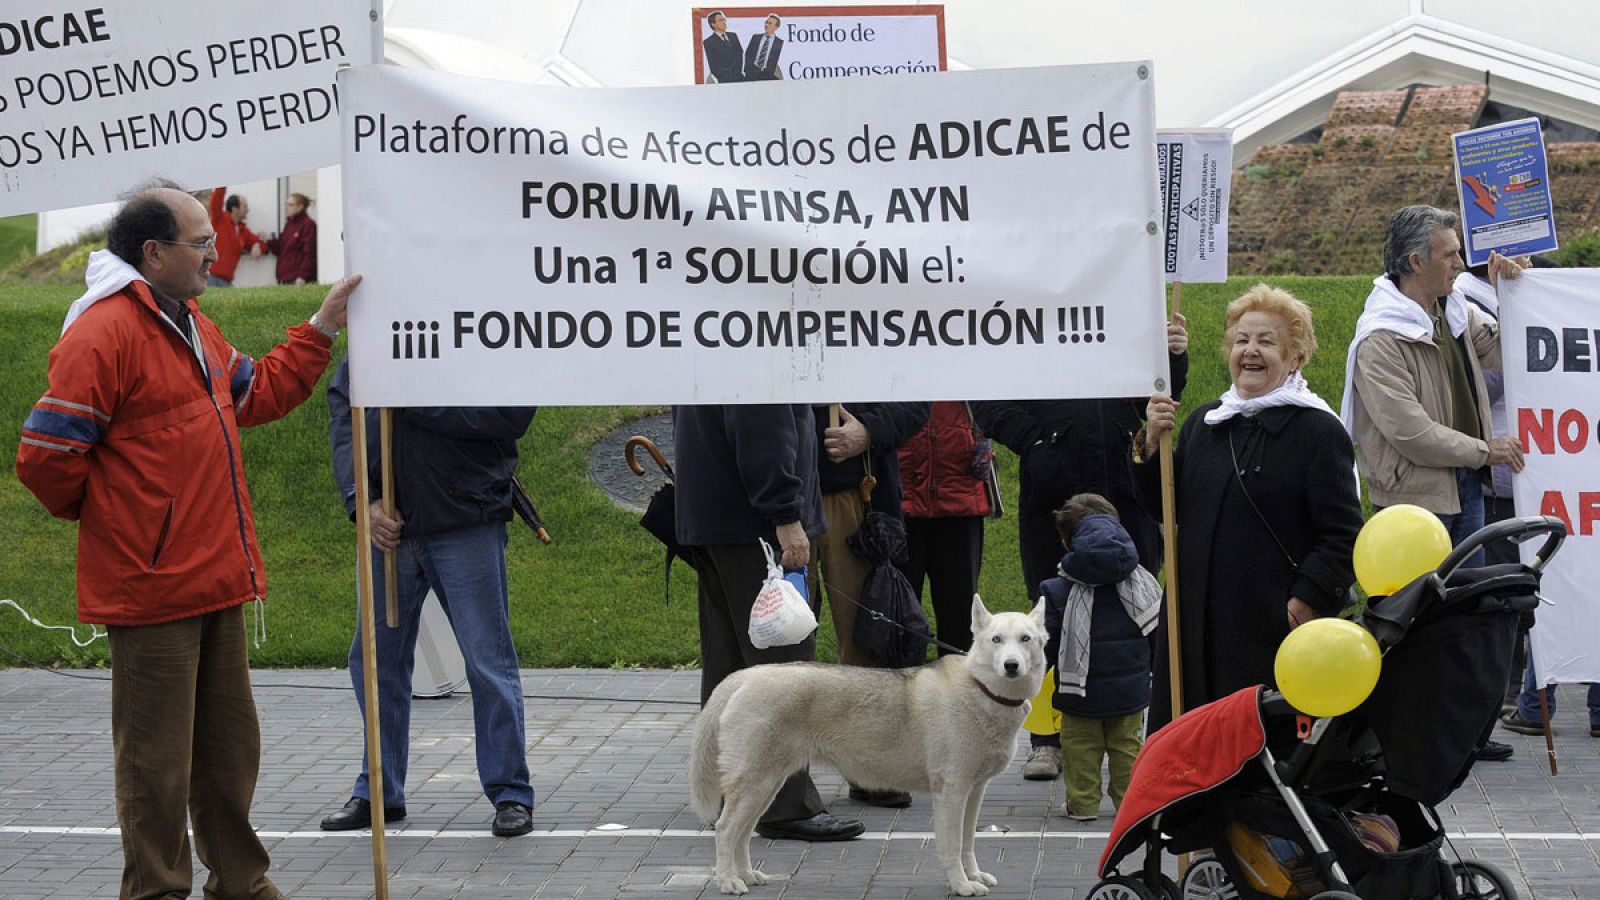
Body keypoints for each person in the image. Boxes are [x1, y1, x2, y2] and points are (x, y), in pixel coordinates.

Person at [17, 181, 360, 899]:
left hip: (213, 577)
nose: (214, 253)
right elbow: (46, 456)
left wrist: (322, 326)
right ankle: (156, 890)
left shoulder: (191, 323)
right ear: (153, 253)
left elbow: (256, 393)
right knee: (156, 766)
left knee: (229, 754)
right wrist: (125, 520)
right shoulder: (103, 332)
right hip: (152, 589)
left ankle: (240, 881)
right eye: (200, 243)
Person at [1339, 206, 1526, 761]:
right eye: (1451, 255)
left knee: (1461, 616)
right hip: (1416, 498)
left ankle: (1458, 731)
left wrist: (1513, 294)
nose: (1460, 264)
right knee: (1415, 621)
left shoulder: (1453, 310)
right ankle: (1402, 733)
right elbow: (1408, 431)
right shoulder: (1381, 338)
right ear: (1416, 261)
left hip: (1462, 486)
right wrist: (1483, 450)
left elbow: (1504, 348)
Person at [321, 360, 538, 837]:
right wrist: (363, 498)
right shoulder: (373, 335)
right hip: (389, 527)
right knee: (376, 661)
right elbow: (345, 414)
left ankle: (509, 792)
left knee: (486, 659)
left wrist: (412, 400)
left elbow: (509, 413)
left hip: (465, 517)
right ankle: (378, 790)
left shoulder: (480, 332)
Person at [974, 313, 1188, 780]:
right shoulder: (1022, 312)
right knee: (1050, 622)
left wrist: (1173, 356)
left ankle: (1139, 737)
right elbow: (986, 394)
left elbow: (1162, 396)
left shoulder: (1124, 300)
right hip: (1054, 499)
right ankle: (1047, 740)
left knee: (1138, 619)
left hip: (1127, 494)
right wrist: (1038, 441)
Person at [1140, 284, 1362, 730]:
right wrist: (1149, 445)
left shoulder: (1318, 431)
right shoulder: (1207, 423)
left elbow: (1343, 535)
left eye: (1266, 341)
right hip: (1193, 620)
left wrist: (1305, 601)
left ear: (1295, 356)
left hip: (1264, 626)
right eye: (1242, 340)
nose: (1250, 351)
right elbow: (1169, 506)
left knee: (1252, 750)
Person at [673, 403, 865, 842]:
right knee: (784, 673)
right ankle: (786, 803)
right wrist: (786, 514)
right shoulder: (760, 347)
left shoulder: (709, 340)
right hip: (755, 523)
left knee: (729, 666)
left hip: (714, 517)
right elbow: (764, 427)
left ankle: (730, 791)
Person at [808, 401, 927, 808]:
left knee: (866, 639)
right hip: (784, 493)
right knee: (781, 636)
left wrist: (869, 432)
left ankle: (870, 767)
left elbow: (915, 400)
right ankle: (779, 775)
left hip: (857, 499)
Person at [1040, 494, 1160, 822]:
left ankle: (1082, 804)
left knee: (1080, 751)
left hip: (1078, 695)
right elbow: (1156, 637)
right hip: (1130, 693)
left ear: (1068, 543)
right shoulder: (1144, 584)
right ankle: (1129, 805)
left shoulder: (1056, 590)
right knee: (1127, 751)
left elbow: (1045, 646)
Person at [897, 401, 992, 656]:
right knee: (897, 619)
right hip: (900, 503)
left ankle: (960, 692)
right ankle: (898, 693)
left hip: (960, 506)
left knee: (960, 620)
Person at [206, 187, 266, 288]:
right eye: (245, 207)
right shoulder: (220, 218)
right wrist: (223, 177)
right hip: (211, 277)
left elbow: (262, 244)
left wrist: (257, 245)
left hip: (226, 281)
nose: (248, 210)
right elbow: (216, 198)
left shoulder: (242, 230)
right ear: (234, 208)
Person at [267, 192, 318, 285]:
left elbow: (310, 253)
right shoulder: (289, 224)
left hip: (297, 280)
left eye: (290, 204)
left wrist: (302, 276)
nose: (287, 207)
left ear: (300, 207)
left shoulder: (308, 225)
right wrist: (271, 241)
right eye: (286, 204)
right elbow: (282, 249)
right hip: (284, 278)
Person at [702, 11, 745, 84]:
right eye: (721, 20)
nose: (724, 22)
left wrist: (737, 73)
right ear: (713, 24)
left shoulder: (733, 36)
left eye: (724, 19)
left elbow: (739, 54)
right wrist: (727, 77)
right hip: (725, 81)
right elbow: (713, 66)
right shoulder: (709, 42)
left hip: (739, 77)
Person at [743, 14, 784, 81]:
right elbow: (748, 54)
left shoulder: (778, 42)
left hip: (767, 76)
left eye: (770, 23)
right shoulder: (756, 37)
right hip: (752, 74)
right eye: (766, 22)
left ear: (776, 27)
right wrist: (748, 71)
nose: (767, 25)